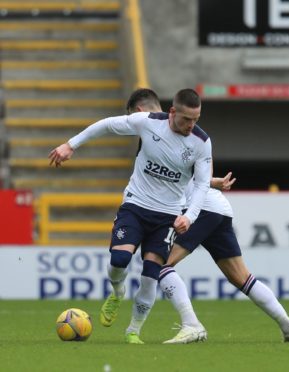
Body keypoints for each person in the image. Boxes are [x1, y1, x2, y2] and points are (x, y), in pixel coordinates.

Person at [125, 89, 289, 344]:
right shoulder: (181, 134)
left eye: (132, 117)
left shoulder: (165, 133)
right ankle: (288, 326)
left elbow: (185, 177)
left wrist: (205, 186)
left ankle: (192, 324)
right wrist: (211, 181)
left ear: (141, 113)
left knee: (160, 263)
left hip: (200, 210)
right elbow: (191, 175)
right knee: (242, 278)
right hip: (219, 209)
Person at [48, 88, 212, 343]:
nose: (191, 125)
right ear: (172, 112)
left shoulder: (201, 142)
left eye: (196, 119)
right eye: (186, 119)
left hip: (168, 215)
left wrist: (189, 216)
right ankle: (117, 290)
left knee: (150, 274)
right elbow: (106, 125)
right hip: (136, 205)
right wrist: (70, 145)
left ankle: (133, 330)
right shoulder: (147, 123)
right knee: (119, 260)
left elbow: (201, 185)